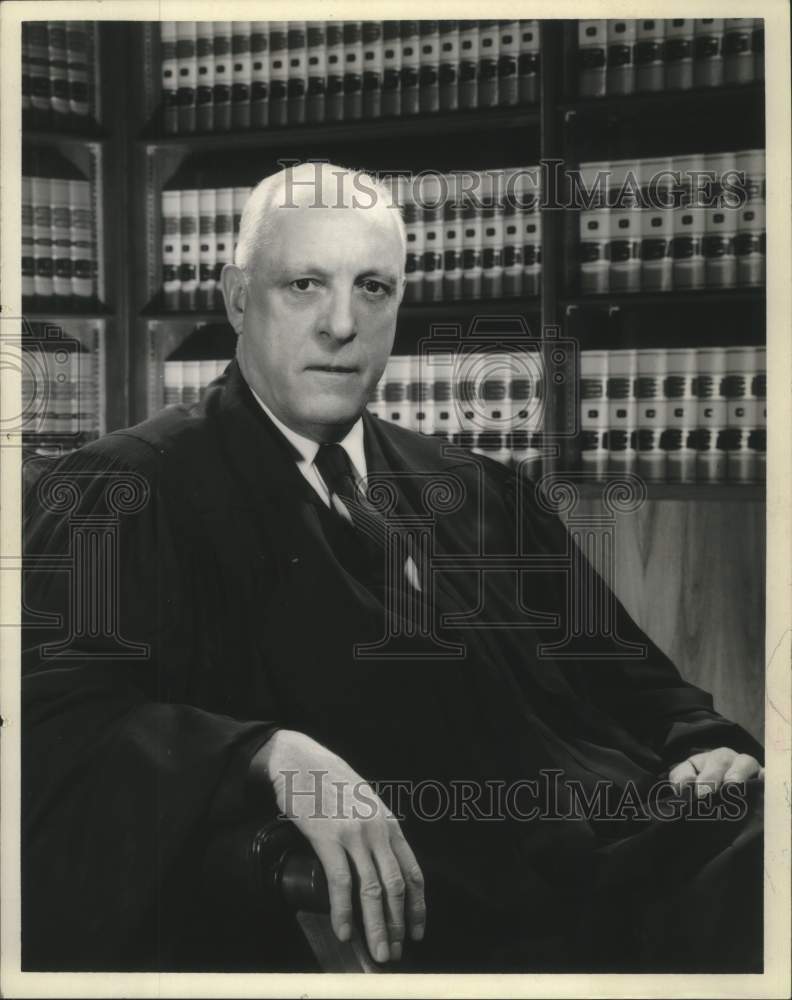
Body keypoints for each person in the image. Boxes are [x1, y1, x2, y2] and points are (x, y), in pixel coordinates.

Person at [22, 163, 764, 974]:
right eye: (304, 284)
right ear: (238, 297)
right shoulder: (127, 489)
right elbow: (53, 728)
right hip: (463, 919)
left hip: (639, 848)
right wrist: (263, 753)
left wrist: (704, 742)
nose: (343, 323)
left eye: (373, 288)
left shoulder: (477, 488)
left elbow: (634, 681)